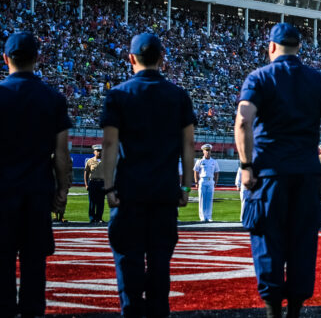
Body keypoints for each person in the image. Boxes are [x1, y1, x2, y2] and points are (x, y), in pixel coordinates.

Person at [235, 22, 321, 318]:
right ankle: (295, 311)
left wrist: (246, 165)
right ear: (298, 47)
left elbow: (243, 121)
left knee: (268, 245)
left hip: (269, 176)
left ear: (272, 46)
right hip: (306, 175)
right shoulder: (318, 80)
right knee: (302, 246)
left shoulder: (259, 77)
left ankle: (273, 310)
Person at [99, 32, 196, 317]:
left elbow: (109, 144)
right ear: (162, 59)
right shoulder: (178, 96)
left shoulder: (118, 95)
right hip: (164, 192)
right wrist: (186, 187)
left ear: (131, 58)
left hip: (129, 191)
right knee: (159, 263)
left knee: (128, 261)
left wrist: (108, 187)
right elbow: (188, 144)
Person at [0, 31, 72, 317]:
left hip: (2, 194)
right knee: (34, 267)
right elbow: (62, 153)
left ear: (5, 58)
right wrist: (62, 190)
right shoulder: (53, 98)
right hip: (37, 193)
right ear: (37, 58)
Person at [194, 144, 219, 222]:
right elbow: (196, 171)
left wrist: (216, 182)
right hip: (202, 180)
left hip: (211, 181)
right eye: (206, 150)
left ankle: (208, 216)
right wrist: (196, 182)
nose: (208, 152)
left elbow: (216, 172)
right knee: (202, 199)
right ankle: (202, 217)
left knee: (209, 199)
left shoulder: (214, 161)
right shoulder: (200, 161)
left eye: (209, 151)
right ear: (203, 151)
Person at [84, 144, 106, 223]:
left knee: (101, 202)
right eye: (98, 151)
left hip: (102, 183)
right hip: (93, 183)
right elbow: (86, 173)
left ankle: (99, 218)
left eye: (101, 151)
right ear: (94, 152)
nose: (99, 152)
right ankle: (92, 218)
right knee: (92, 202)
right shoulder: (90, 161)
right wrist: (86, 184)